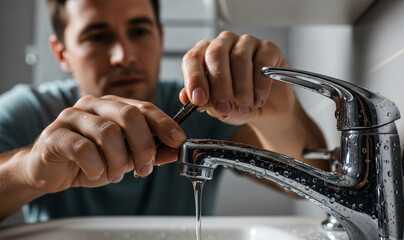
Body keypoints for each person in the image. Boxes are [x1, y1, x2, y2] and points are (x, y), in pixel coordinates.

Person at [0, 0, 326, 223]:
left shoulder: (210, 107)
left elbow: (315, 176)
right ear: (62, 53)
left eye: (139, 31)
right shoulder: (28, 113)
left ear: (160, 35)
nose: (123, 55)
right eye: (97, 37)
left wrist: (278, 115)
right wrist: (30, 170)